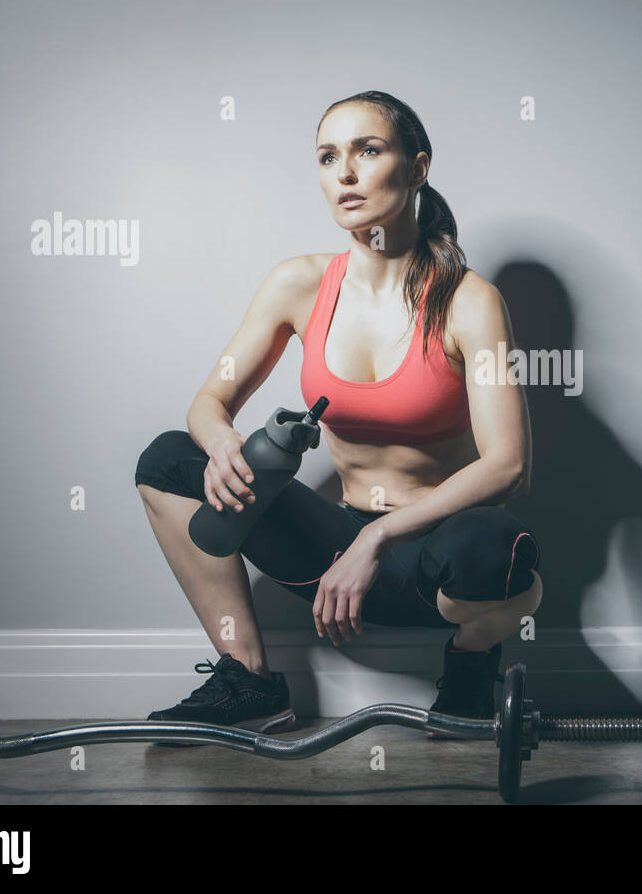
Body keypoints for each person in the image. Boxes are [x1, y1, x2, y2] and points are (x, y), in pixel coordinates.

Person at [133, 90, 542, 739]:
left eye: (368, 150)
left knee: (496, 549)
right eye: (328, 156)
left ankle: (470, 664)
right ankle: (249, 682)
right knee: (165, 461)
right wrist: (221, 448)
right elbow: (209, 403)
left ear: (417, 167)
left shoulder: (470, 301)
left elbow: (509, 465)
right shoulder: (298, 284)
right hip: (327, 551)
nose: (344, 173)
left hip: (429, 564)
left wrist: (376, 539)